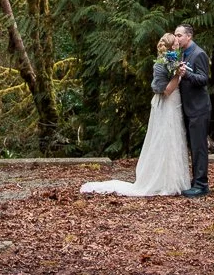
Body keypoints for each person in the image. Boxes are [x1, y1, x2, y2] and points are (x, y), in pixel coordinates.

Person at [79, 33, 190, 196]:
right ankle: (164, 182)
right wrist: (178, 75)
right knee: (166, 139)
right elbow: (166, 91)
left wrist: (177, 71)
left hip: (174, 104)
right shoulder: (161, 64)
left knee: (175, 139)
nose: (179, 42)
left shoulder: (172, 61)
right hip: (167, 105)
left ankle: (174, 179)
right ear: (173, 46)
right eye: (176, 41)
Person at [174, 24, 211, 197]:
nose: (177, 38)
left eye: (179, 35)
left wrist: (186, 74)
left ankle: (201, 185)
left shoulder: (199, 54)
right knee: (192, 147)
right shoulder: (182, 54)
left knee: (199, 147)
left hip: (199, 108)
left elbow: (203, 79)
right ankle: (195, 180)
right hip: (188, 108)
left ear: (189, 36)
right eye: (175, 35)